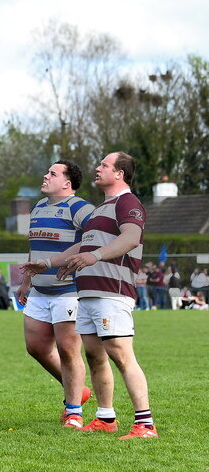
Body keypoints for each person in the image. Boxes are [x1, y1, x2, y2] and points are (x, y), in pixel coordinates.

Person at [23, 151, 158, 439]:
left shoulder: (127, 202)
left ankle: (145, 425)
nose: (97, 169)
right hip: (89, 293)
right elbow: (81, 246)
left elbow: (131, 237)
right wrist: (46, 264)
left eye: (104, 165)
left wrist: (95, 256)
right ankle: (105, 418)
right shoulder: (100, 209)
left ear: (119, 173)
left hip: (112, 291)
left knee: (121, 355)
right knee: (95, 356)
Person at [16, 161, 96, 427]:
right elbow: (35, 249)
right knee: (36, 347)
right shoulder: (39, 206)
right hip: (39, 290)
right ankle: (78, 389)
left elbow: (95, 237)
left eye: (52, 173)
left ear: (67, 183)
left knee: (68, 349)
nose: (45, 175)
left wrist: (63, 261)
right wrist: (26, 280)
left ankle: (73, 411)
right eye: (47, 171)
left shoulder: (80, 207)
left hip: (69, 290)